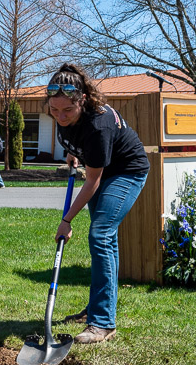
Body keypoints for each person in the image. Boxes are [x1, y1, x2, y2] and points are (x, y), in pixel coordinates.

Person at [47, 63, 149, 344]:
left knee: (100, 235)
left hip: (126, 172)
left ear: (82, 100)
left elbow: (92, 181)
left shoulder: (99, 124)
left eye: (67, 110)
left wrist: (66, 220)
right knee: (105, 240)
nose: (60, 116)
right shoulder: (63, 113)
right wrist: (72, 152)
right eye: (55, 111)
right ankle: (97, 308)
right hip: (102, 170)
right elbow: (72, 137)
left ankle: (103, 323)